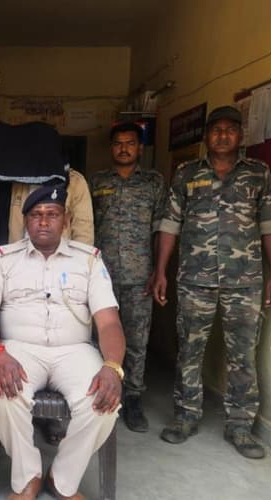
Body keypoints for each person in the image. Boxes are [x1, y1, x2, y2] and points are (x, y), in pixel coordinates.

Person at [0, 184, 125, 499]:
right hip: (19, 349)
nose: (43, 221)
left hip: (75, 351)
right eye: (36, 215)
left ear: (66, 220)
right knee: (3, 395)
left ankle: (63, 479)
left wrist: (112, 366)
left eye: (52, 214)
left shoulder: (89, 260)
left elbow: (109, 322)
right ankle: (28, 476)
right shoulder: (2, 260)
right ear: (26, 221)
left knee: (104, 401)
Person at [152, 105, 271, 459]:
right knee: (189, 351)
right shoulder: (186, 173)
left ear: (241, 135)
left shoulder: (258, 173)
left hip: (246, 281)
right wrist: (160, 271)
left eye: (230, 129)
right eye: (216, 129)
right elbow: (170, 224)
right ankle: (185, 416)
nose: (223, 135)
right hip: (194, 279)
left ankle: (240, 426)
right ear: (206, 136)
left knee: (243, 356)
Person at [90, 122, 165, 432]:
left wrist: (159, 269)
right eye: (118, 143)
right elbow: (87, 228)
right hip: (100, 276)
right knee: (97, 337)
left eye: (130, 143)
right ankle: (98, 391)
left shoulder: (153, 182)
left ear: (140, 147)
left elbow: (161, 228)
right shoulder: (97, 182)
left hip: (139, 275)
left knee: (136, 339)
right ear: (111, 148)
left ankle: (132, 398)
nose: (124, 148)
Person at [8, 169, 95, 245]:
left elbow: (83, 229)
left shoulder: (75, 181)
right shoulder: (18, 177)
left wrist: (80, 258)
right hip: (21, 253)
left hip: (61, 254)